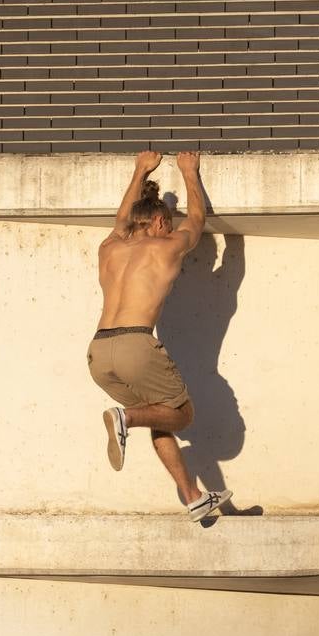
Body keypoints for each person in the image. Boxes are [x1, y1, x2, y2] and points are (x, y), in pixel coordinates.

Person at [89, 150, 233, 521]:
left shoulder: (109, 248)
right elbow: (198, 219)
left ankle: (192, 496)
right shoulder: (166, 246)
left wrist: (139, 169)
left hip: (99, 352)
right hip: (137, 344)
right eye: (167, 224)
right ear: (158, 221)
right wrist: (189, 172)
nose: (171, 231)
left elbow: (122, 220)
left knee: (159, 416)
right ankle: (125, 420)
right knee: (182, 414)